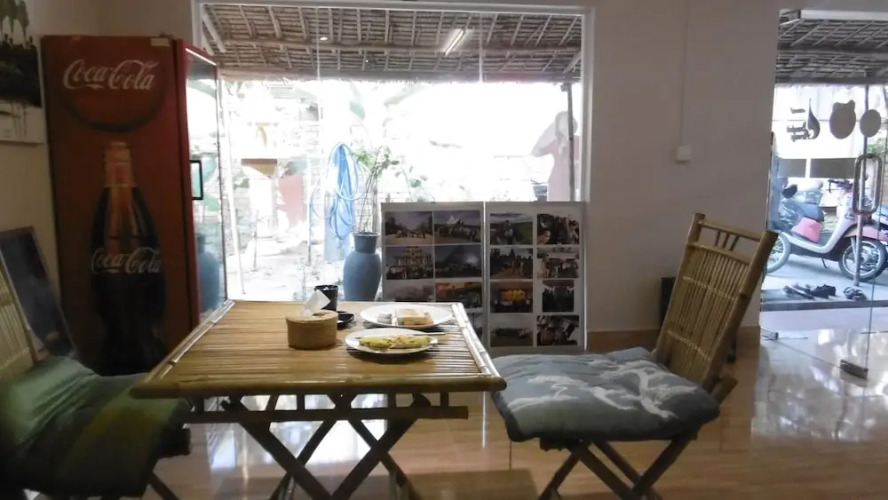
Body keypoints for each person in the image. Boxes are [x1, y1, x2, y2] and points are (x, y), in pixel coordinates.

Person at [532, 111, 580, 202]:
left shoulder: (580, 142)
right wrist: (548, 132)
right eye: (561, 123)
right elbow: (535, 153)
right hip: (556, 183)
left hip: (573, 184)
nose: (565, 126)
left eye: (567, 122)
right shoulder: (556, 143)